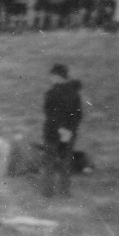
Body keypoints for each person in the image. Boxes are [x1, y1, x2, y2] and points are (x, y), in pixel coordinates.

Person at [41, 63, 83, 197]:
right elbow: (78, 115)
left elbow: (50, 113)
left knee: (50, 163)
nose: (50, 79)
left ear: (56, 76)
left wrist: (59, 129)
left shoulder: (51, 93)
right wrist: (69, 130)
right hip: (69, 134)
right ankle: (65, 192)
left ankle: (48, 192)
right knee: (65, 163)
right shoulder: (74, 94)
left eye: (52, 76)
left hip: (52, 133)